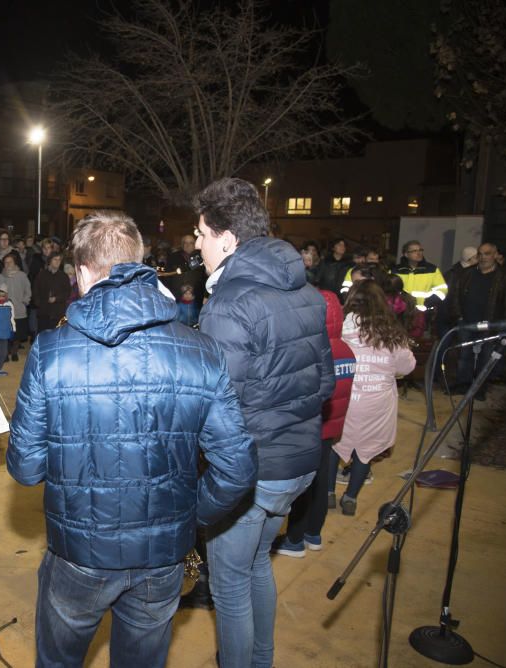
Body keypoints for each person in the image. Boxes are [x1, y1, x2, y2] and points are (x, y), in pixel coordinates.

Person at [7, 210, 256, 667]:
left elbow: (26, 468)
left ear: (82, 272)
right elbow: (237, 467)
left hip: (79, 552)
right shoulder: (201, 349)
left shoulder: (50, 350)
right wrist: (189, 513)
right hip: (163, 554)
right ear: (140, 264)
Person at [194, 177, 334, 668]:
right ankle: (261, 661)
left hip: (252, 471)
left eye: (202, 234)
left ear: (227, 239)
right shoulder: (308, 293)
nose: (197, 243)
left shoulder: (229, 303)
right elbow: (322, 387)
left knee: (230, 586)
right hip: (299, 463)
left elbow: (216, 407)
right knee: (257, 566)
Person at [275, 290, 356, 556]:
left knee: (303, 486)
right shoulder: (347, 351)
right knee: (322, 482)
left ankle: (295, 540)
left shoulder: (314, 352)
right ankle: (314, 534)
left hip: (311, 427)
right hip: (333, 427)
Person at [333, 281, 416, 515]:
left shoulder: (341, 326)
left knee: (334, 446)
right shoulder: (391, 331)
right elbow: (407, 366)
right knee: (365, 450)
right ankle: (350, 497)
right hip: (376, 402)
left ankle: (328, 492)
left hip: (346, 398)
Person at [446, 242, 506, 399]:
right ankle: (463, 385)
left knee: (486, 357)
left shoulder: (504, 277)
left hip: (490, 324)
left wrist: (501, 325)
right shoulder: (466, 274)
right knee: (464, 355)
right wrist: (459, 317)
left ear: (495, 255)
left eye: (487, 253)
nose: (483, 257)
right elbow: (454, 296)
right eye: (480, 253)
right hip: (467, 322)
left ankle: (480, 389)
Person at [393, 239, 447, 312]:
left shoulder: (432, 269)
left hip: (425, 312)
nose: (419, 253)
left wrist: (429, 302)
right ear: (406, 254)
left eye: (420, 250)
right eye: (414, 251)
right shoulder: (396, 270)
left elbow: (442, 289)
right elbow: (390, 290)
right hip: (401, 311)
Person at [0, 253, 30, 361]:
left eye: (10, 262)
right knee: (5, 334)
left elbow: (27, 290)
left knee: (17, 334)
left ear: (15, 263)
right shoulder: (0, 277)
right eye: (5, 262)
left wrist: (24, 302)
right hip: (4, 311)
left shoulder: (22, 275)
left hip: (19, 310)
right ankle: (5, 353)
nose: (8, 264)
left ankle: (14, 352)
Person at [31, 252, 71, 332]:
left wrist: (56, 298)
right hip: (43, 313)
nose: (57, 262)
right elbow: (35, 291)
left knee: (57, 337)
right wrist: (39, 303)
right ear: (50, 261)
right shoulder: (41, 275)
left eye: (59, 260)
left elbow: (67, 292)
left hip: (58, 314)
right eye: (55, 259)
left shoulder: (63, 276)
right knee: (43, 337)